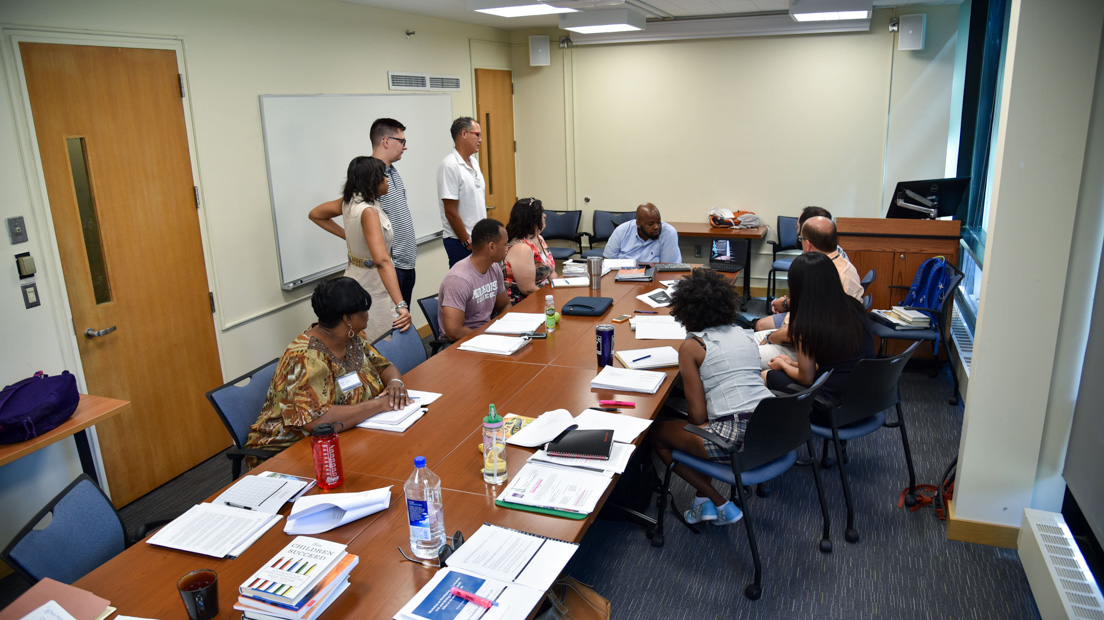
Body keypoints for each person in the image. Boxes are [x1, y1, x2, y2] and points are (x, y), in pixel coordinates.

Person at [648, 269, 773, 526]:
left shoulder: (693, 345)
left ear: (684, 311)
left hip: (736, 438)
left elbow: (698, 416)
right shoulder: (744, 333)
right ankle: (701, 501)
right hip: (771, 426)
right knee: (701, 431)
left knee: (657, 434)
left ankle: (720, 502)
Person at [243, 278, 410, 462]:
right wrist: (379, 405)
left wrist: (395, 383)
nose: (368, 315)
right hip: (289, 453)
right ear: (347, 318)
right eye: (363, 311)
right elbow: (317, 421)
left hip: (349, 433)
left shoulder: (352, 338)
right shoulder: (305, 358)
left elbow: (382, 366)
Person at [309, 156, 412, 342]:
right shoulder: (368, 211)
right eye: (383, 177)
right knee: (382, 339)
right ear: (373, 181)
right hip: (374, 283)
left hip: (355, 276)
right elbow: (382, 261)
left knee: (361, 340)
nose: (387, 180)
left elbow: (316, 214)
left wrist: (348, 236)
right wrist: (401, 304)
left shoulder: (350, 201)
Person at [762, 252, 874, 407]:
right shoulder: (853, 306)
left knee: (766, 375)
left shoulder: (808, 321)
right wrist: (792, 363)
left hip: (830, 405)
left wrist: (783, 366)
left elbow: (805, 378)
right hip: (866, 397)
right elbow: (834, 363)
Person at [754, 216, 865, 367]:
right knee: (748, 342)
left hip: (811, 348)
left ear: (808, 244)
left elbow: (808, 330)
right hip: (805, 336)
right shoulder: (840, 265)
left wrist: (771, 338)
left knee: (745, 355)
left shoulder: (826, 275)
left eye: (800, 237)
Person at [437, 218, 511, 341]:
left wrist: (502, 330)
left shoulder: (494, 268)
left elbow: (505, 305)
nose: (507, 247)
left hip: (484, 335)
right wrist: (488, 338)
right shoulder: (458, 279)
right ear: (492, 247)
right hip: (459, 344)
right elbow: (454, 331)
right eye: (505, 244)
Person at [372, 118, 417, 305]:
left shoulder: (392, 172)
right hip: (392, 266)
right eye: (402, 141)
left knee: (403, 322)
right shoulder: (371, 176)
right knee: (392, 323)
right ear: (386, 141)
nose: (405, 147)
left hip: (407, 263)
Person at [437, 116, 487, 267]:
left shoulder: (474, 162)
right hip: (461, 242)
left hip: (478, 239)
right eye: (477, 135)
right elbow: (450, 211)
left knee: (481, 287)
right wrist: (466, 242)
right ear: (464, 134)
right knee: (464, 286)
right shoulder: (450, 166)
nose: (480, 140)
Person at [503, 197, 555, 305]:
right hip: (524, 302)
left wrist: (558, 289)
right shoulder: (521, 248)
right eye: (542, 213)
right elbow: (527, 289)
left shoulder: (539, 239)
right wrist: (553, 298)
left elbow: (551, 272)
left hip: (544, 296)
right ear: (532, 219)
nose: (545, 216)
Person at [603, 202, 681, 263]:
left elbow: (669, 267)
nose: (656, 227)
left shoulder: (668, 233)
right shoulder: (621, 231)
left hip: (655, 279)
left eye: (658, 222)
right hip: (622, 277)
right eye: (650, 224)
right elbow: (607, 261)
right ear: (638, 224)